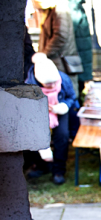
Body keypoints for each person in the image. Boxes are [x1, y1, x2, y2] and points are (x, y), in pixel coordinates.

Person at [25, 53, 78, 185]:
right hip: (37, 114)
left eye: (54, 82)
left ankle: (59, 170)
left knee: (62, 135)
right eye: (48, 84)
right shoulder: (28, 85)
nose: (53, 85)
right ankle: (42, 165)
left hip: (60, 109)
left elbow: (71, 96)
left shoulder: (63, 79)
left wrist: (63, 106)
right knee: (35, 137)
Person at [35, 0, 80, 91]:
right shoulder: (54, 7)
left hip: (60, 63)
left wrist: (44, 54)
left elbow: (60, 36)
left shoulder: (60, 8)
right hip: (59, 61)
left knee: (64, 97)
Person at [60, 0, 92, 92]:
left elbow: (68, 28)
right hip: (79, 53)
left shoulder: (71, 1)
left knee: (74, 89)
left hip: (76, 54)